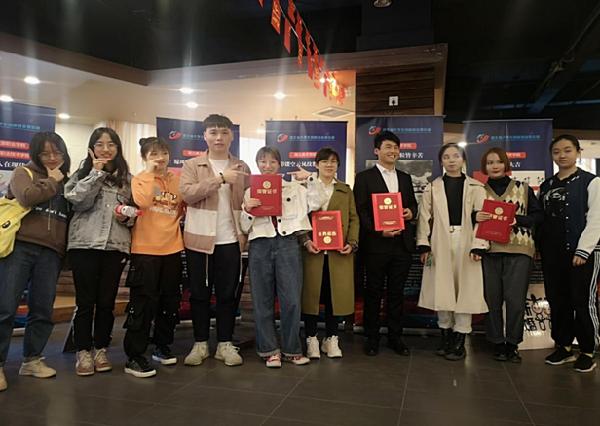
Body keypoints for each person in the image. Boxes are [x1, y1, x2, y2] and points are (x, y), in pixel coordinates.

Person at [0, 132, 71, 391]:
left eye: (57, 153)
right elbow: (27, 197)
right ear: (35, 154)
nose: (52, 158)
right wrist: (52, 181)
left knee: (42, 308)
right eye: (45, 153)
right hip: (20, 246)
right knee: (5, 307)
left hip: (51, 252)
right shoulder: (24, 173)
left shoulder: (66, 181)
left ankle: (32, 360)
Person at [180, 114, 250, 367]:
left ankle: (224, 344)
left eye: (224, 132)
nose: (219, 137)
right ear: (205, 136)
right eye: (213, 132)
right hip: (199, 238)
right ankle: (200, 343)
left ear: (231, 136)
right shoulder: (192, 165)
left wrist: (252, 203)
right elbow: (187, 194)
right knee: (199, 293)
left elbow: (247, 200)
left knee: (227, 294)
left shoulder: (242, 166)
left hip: (231, 239)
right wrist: (220, 179)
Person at [65, 127, 134, 376]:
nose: (106, 149)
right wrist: (96, 173)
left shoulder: (127, 179)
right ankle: (83, 351)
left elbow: (135, 214)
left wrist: (128, 217)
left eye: (111, 144)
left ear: (118, 148)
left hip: (114, 246)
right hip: (84, 244)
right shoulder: (81, 174)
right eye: (100, 144)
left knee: (106, 302)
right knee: (85, 302)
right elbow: (78, 201)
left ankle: (101, 349)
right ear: (91, 148)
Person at [241, 146, 313, 368]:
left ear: (279, 164)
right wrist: (247, 210)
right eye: (263, 161)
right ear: (257, 164)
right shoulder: (250, 190)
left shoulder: (294, 188)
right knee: (262, 299)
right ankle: (269, 350)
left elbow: (317, 202)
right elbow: (244, 226)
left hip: (287, 242)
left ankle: (292, 349)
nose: (267, 166)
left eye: (272, 162)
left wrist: (310, 179)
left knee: (291, 299)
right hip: (260, 244)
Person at [416, 143, 488, 361]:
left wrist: (479, 244)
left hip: (467, 242)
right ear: (441, 161)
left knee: (466, 289)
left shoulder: (477, 187)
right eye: (446, 157)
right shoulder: (432, 187)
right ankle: (445, 334)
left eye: (456, 156)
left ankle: (460, 338)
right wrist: (423, 244)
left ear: (463, 159)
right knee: (443, 288)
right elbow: (424, 217)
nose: (451, 160)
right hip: (439, 241)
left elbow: (484, 219)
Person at [123, 137, 184, 378]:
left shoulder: (177, 180)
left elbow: (183, 208)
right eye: (153, 154)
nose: (160, 158)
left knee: (170, 301)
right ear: (144, 158)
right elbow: (144, 201)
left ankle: (162, 345)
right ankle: (135, 356)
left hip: (173, 248)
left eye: (164, 153)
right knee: (143, 303)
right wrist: (150, 173)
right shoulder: (139, 179)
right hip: (145, 250)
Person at [538, 134, 600, 373]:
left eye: (567, 150)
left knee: (582, 302)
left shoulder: (591, 182)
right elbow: (542, 220)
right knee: (557, 300)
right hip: (553, 253)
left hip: (581, 253)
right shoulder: (547, 185)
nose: (562, 155)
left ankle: (587, 351)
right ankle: (563, 346)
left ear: (578, 152)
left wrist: (583, 250)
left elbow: (596, 219)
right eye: (556, 152)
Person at [353, 130, 418, 357]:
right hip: (376, 245)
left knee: (397, 293)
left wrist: (411, 212)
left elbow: (413, 205)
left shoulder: (405, 177)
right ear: (376, 151)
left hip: (402, 245)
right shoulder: (364, 178)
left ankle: (395, 337)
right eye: (388, 147)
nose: (393, 151)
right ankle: (371, 337)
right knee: (373, 292)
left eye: (396, 148)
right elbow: (360, 211)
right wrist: (379, 231)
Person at [476, 147, 543, 363]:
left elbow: (538, 216)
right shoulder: (478, 190)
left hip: (519, 250)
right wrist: (475, 216)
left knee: (515, 301)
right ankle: (497, 342)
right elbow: (470, 219)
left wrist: (518, 220)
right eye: (489, 163)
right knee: (491, 299)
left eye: (498, 161)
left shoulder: (523, 188)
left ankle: (513, 344)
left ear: (506, 164)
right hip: (489, 250)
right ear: (484, 167)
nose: (494, 166)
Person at [301, 147, 359, 359]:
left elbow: (353, 218)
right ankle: (311, 338)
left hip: (338, 253)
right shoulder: (305, 188)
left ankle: (331, 338)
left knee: (335, 296)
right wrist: (305, 240)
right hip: (312, 252)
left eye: (333, 161)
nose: (329, 165)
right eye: (324, 161)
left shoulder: (345, 190)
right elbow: (298, 217)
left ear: (338, 166)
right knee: (311, 296)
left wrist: (352, 243)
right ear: (316, 164)